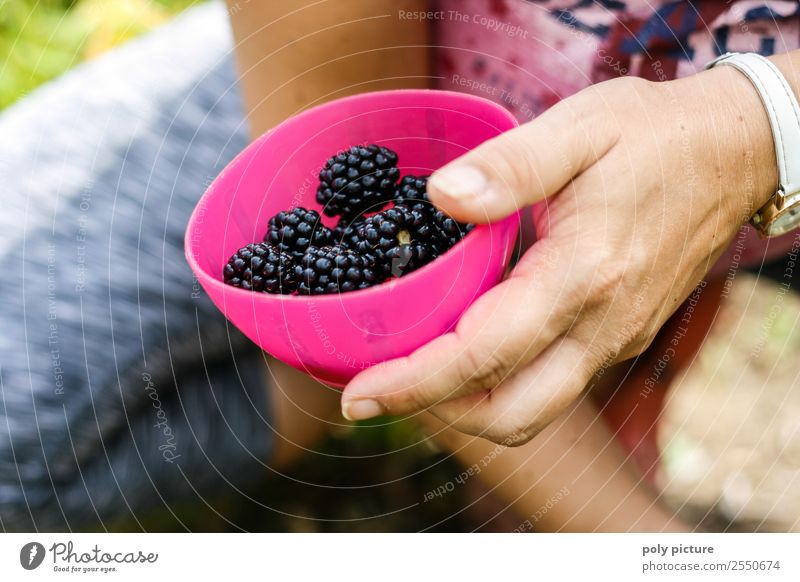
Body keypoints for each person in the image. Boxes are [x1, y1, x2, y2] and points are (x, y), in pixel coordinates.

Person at [0, 0, 685, 533]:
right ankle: (318, 373)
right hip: (358, 71)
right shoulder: (360, 188)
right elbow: (418, 331)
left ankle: (618, 385)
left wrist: (763, 130)